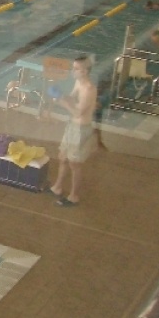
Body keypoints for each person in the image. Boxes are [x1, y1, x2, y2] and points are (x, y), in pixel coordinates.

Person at [49, 55, 97, 207]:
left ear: (85, 71)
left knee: (74, 164)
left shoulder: (89, 89)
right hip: (72, 125)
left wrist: (61, 101)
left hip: (81, 129)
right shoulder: (78, 82)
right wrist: (61, 95)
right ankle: (57, 187)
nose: (72, 71)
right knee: (62, 157)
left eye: (76, 69)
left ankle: (74, 196)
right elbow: (71, 98)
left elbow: (77, 113)